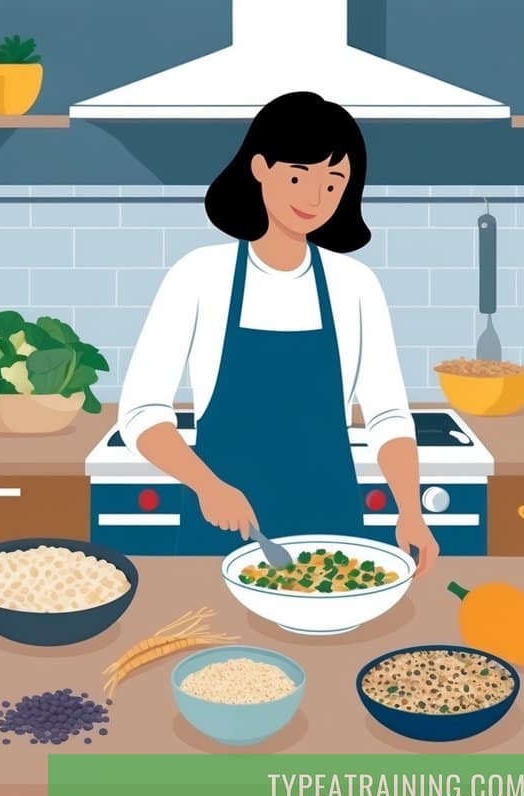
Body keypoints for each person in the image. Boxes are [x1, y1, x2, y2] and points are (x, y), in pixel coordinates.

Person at [117, 91, 438, 572]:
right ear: (260, 168)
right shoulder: (200, 276)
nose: (314, 198)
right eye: (297, 176)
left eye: (333, 185)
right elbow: (141, 413)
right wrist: (208, 486)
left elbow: (388, 417)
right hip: (223, 525)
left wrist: (409, 511)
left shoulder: (355, 285)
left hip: (333, 531)